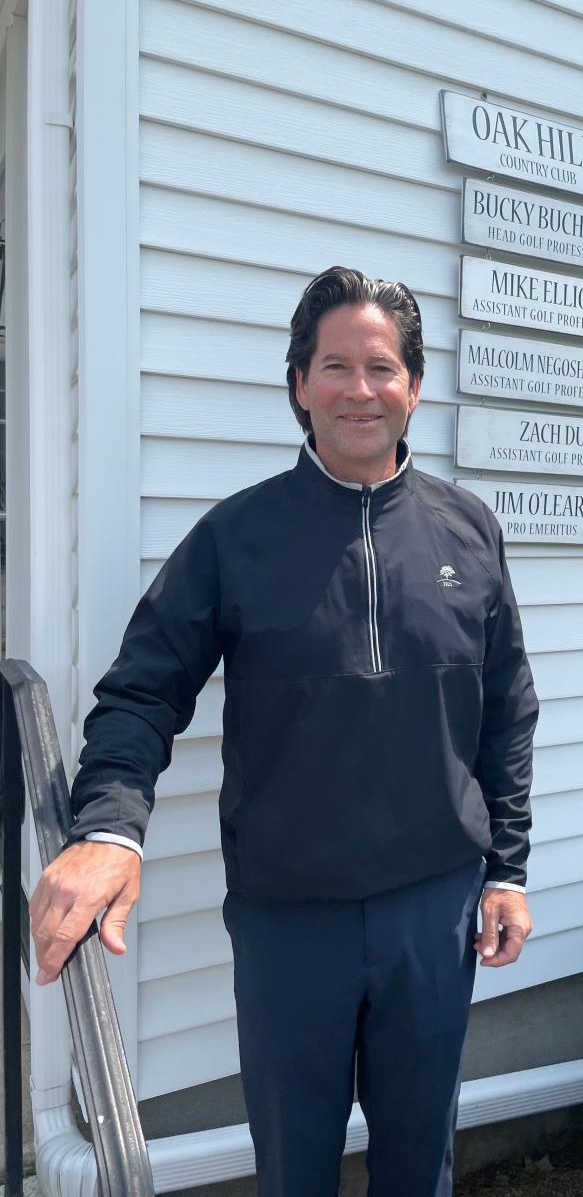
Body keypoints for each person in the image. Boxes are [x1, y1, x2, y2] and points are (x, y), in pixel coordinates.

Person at [28, 267, 539, 1196]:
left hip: (436, 906)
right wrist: (108, 826)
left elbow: (507, 708)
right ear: (299, 384)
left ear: (414, 386)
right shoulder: (236, 539)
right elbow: (142, 692)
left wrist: (506, 869)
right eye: (333, 365)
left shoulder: (470, 530)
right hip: (289, 918)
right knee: (294, 1167)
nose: (359, 389)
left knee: (420, 1163)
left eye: (381, 367)